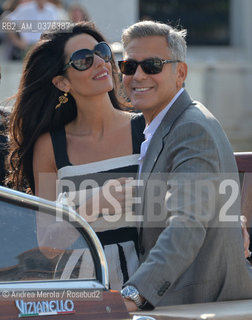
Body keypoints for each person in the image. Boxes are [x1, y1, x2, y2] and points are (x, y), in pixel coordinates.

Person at [118, 20, 252, 311]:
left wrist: (134, 295)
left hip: (198, 305)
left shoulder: (191, 130)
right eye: (129, 66)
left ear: (180, 73)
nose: (138, 75)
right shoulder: (165, 124)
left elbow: (187, 224)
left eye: (152, 65)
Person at [6, 21, 145, 290]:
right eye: (83, 60)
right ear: (61, 82)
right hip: (82, 286)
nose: (100, 63)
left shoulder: (146, 129)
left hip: (147, 279)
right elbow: (48, 245)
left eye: (102, 52)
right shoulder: (50, 145)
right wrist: (96, 203)